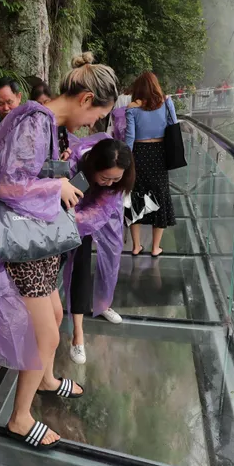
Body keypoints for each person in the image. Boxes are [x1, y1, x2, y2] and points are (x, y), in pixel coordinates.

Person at [0, 52, 118, 449]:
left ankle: (45, 379)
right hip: (23, 243)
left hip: (35, 241)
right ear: (85, 99)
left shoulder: (48, 123)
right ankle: (20, 418)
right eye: (97, 115)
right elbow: (9, 186)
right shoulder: (35, 120)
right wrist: (56, 187)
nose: (94, 123)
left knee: (57, 314)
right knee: (44, 334)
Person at [63, 137, 134, 364]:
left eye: (117, 178)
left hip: (104, 213)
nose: (111, 183)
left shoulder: (113, 187)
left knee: (112, 256)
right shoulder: (79, 168)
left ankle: (103, 303)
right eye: (105, 177)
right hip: (76, 212)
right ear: (94, 168)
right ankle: (78, 333)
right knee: (79, 267)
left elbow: (99, 212)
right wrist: (68, 219)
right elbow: (74, 207)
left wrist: (107, 182)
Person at [126, 71, 178, 257]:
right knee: (160, 196)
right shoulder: (166, 103)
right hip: (160, 153)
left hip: (139, 154)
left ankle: (136, 246)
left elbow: (130, 137)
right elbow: (174, 124)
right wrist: (168, 104)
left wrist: (127, 159)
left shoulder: (132, 109)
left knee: (136, 197)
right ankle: (156, 248)